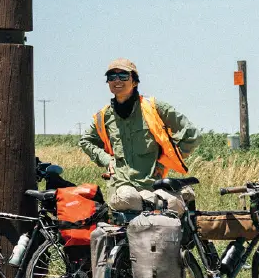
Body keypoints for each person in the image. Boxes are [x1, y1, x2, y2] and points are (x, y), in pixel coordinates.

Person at [79, 57, 201, 211]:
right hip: (121, 188)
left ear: (134, 82)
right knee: (128, 199)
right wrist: (106, 159)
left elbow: (192, 136)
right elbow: (85, 141)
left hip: (152, 185)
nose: (117, 80)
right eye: (112, 77)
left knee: (173, 205)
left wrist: (164, 163)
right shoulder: (104, 116)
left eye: (123, 76)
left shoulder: (154, 108)